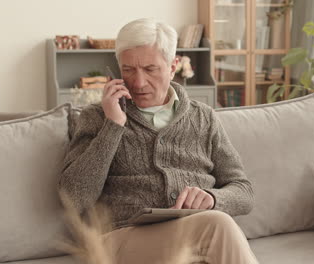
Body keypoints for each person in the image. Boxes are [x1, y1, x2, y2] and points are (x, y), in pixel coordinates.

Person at [58, 18, 258, 264]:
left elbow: (244, 191)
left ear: (173, 66)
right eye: (128, 70)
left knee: (214, 226)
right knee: (218, 225)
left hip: (191, 238)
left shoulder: (203, 117)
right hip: (119, 240)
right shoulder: (97, 117)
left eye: (150, 69)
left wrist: (214, 198)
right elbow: (74, 197)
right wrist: (113, 126)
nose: (139, 83)